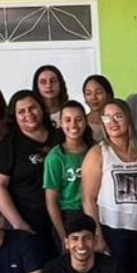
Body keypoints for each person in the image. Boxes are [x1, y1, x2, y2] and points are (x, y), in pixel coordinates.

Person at [81, 98, 137, 273]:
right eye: (107, 117)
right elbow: (88, 199)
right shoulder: (98, 153)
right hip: (110, 229)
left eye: (118, 116)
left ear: (128, 118)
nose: (113, 122)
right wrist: (97, 235)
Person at [0, 89, 60, 254]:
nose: (28, 114)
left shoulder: (61, 138)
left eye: (32, 108)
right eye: (21, 111)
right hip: (29, 223)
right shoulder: (7, 147)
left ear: (42, 108)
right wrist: (19, 224)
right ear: (14, 116)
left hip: (65, 218)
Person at [44, 101, 95, 247]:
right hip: (68, 216)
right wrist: (63, 235)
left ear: (86, 122)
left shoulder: (95, 151)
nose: (73, 125)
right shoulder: (55, 158)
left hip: (95, 213)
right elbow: (51, 202)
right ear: (60, 123)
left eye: (79, 119)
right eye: (67, 120)